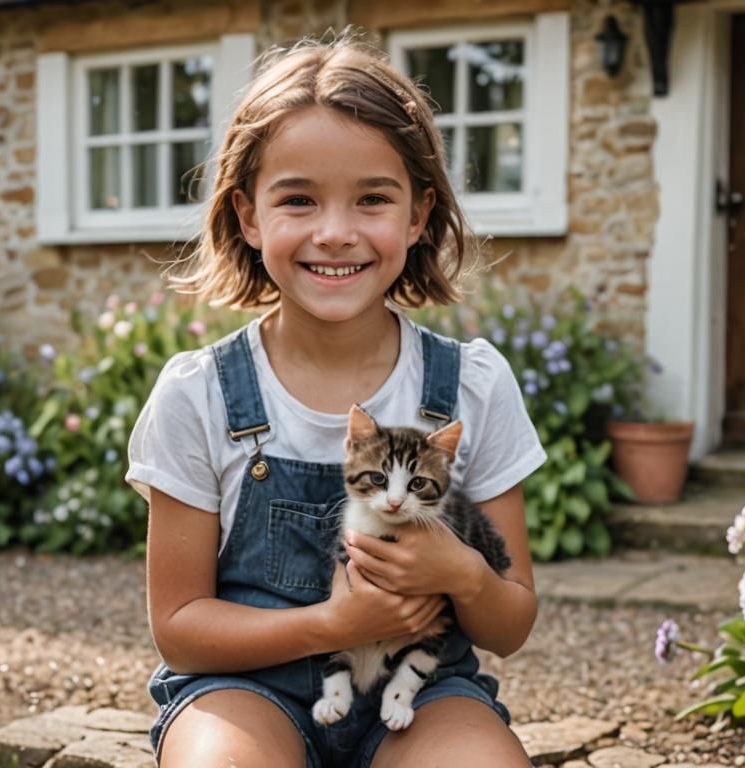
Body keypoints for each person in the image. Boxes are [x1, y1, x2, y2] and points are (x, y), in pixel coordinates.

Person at [125, 32, 546, 768]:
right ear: (249, 216)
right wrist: (333, 621)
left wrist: (461, 573)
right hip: (244, 688)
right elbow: (180, 626)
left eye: (373, 199)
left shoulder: (470, 385)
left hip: (420, 694)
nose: (335, 232)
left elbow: (509, 624)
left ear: (418, 216)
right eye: (298, 199)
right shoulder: (200, 395)